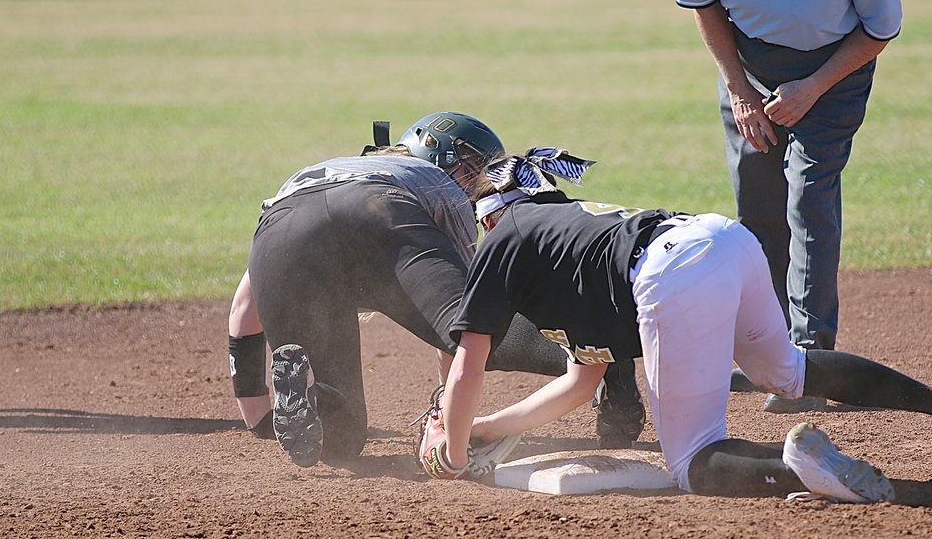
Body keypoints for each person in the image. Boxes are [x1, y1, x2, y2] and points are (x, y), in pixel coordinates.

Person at [426, 149, 932, 501]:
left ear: (491, 214)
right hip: (721, 239)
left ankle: (798, 470)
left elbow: (466, 364)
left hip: (669, 271)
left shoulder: (508, 237)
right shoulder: (567, 237)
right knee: (787, 369)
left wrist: (451, 453)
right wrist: (484, 428)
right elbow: (581, 383)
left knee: (690, 463)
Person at [226, 113, 645, 467]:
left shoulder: (326, 170)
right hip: (379, 209)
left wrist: (256, 416)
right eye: (471, 168)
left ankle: (305, 397)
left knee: (341, 442)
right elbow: (469, 323)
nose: (479, 182)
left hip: (277, 231)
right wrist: (449, 413)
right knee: (482, 334)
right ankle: (603, 355)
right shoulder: (437, 186)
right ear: (445, 159)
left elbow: (245, 310)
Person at [675, 0, 903, 413]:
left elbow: (879, 28)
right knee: (755, 210)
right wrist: (739, 89)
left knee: (808, 199)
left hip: (832, 71)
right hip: (747, 67)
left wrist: (812, 88)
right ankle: (763, 354)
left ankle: (809, 357)